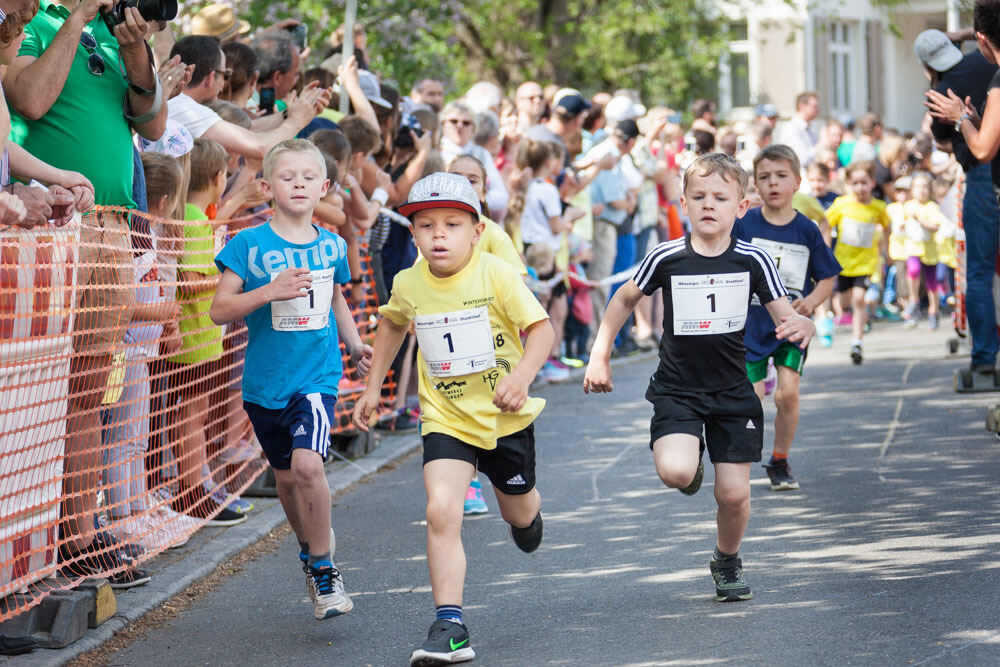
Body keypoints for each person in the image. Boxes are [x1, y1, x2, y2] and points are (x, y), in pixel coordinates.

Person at [584, 153, 815, 603]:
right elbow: (622, 300)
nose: (709, 205)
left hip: (733, 391)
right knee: (675, 471)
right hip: (679, 389)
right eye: (699, 196)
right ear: (684, 204)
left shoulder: (754, 260)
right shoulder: (665, 256)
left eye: (721, 197)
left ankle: (727, 560)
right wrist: (599, 355)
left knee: (733, 496)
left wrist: (803, 324)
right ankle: (689, 464)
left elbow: (785, 314)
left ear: (740, 208)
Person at [352, 173, 554, 665]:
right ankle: (450, 623)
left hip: (504, 418)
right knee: (442, 509)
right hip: (445, 417)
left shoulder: (496, 274)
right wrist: (374, 386)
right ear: (414, 233)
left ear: (476, 231)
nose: (439, 235)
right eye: (426, 225)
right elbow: (394, 323)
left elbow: (542, 330)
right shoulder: (408, 281)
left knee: (519, 515)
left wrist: (522, 377)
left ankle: (528, 514)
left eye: (452, 224)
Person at [5, 0, 167, 587]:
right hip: (51, 223)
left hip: (112, 224)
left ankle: (78, 532)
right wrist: (73, 17)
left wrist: (133, 48)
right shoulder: (35, 20)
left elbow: (152, 126)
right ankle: (60, 536)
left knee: (93, 382)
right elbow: (29, 100)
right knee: (43, 385)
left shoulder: (110, 29)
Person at [211, 138, 373, 621]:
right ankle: (309, 551)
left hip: (317, 377)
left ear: (323, 187)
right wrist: (268, 291)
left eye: (308, 178)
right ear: (267, 186)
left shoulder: (332, 245)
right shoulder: (247, 245)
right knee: (285, 479)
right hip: (265, 383)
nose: (299, 184)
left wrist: (355, 342)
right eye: (288, 177)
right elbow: (220, 310)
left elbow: (336, 299)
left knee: (307, 467)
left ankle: (325, 569)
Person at [733, 145, 840, 491]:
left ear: (797, 182)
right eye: (764, 177)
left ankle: (779, 460)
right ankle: (742, 460)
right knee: (751, 398)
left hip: (791, 324)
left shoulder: (806, 229)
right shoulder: (744, 224)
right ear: (755, 185)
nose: (773, 183)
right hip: (750, 324)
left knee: (787, 394)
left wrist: (809, 302)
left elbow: (828, 277)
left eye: (781, 176)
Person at [922, 19, 1000, 374]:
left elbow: (941, 140)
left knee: (980, 273)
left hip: (982, 175)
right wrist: (960, 35)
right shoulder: (988, 62)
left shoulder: (941, 91)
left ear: (927, 66)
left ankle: (984, 358)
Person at [825, 160, 889, 365]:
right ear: (849, 185)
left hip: (866, 263)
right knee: (843, 303)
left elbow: (887, 226)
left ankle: (857, 342)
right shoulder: (842, 204)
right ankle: (833, 316)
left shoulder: (878, 207)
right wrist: (825, 248)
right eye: (855, 183)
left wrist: (885, 249)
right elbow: (825, 223)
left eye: (864, 183)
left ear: (872, 182)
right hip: (843, 262)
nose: (860, 188)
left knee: (859, 299)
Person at [902, 171, 947, 329]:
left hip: (929, 250)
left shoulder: (932, 207)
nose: (921, 190)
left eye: (924, 187)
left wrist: (920, 220)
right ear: (912, 189)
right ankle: (913, 299)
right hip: (913, 247)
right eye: (917, 187)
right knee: (913, 270)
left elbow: (935, 226)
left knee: (931, 282)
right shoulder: (908, 206)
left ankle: (933, 310)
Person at [777, 91, 820, 169]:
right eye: (814, 106)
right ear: (802, 106)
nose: (818, 110)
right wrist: (821, 145)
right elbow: (801, 159)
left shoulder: (809, 129)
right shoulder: (791, 129)